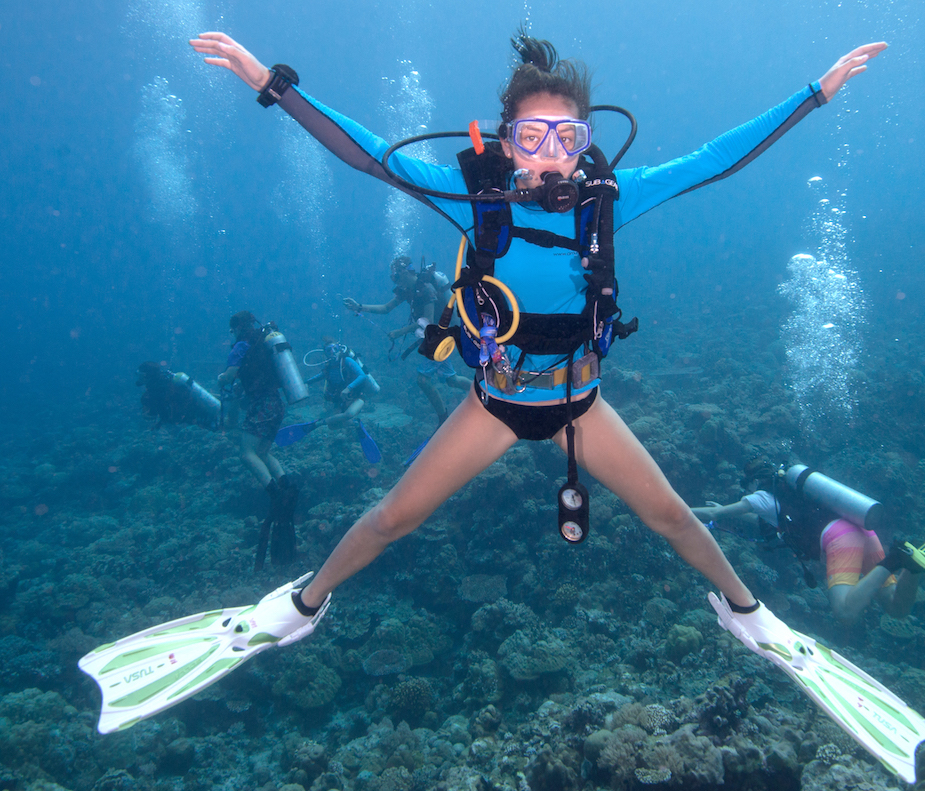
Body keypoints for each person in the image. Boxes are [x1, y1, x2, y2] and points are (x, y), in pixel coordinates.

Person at [189, 29, 886, 655]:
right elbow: (370, 156)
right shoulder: (473, 199)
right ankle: (302, 605)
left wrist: (813, 95)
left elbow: (712, 161)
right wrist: (273, 85)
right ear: (504, 142)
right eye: (531, 139)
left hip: (579, 405)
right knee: (391, 519)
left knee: (671, 515)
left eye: (567, 140)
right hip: (494, 403)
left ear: (585, 143)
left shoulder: (609, 198)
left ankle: (749, 612)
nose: (550, 159)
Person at [690, 465, 920, 625]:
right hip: (861, 529)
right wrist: (725, 510)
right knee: (895, 608)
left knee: (844, 611)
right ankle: (911, 565)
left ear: (752, 482)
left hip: (841, 539)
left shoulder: (758, 496)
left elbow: (714, 514)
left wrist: (680, 510)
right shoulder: (791, 494)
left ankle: (894, 560)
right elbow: (765, 519)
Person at [344, 256, 471, 425]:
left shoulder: (426, 289)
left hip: (443, 336)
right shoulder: (408, 290)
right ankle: (483, 394)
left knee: (422, 379)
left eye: (395, 276)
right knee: (451, 380)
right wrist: (359, 307)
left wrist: (400, 332)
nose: (395, 281)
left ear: (404, 272)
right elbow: (386, 308)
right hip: (438, 337)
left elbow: (429, 321)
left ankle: (443, 419)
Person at [218, 310, 298, 568]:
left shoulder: (242, 347)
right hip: (276, 403)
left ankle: (275, 494)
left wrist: (221, 378)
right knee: (263, 451)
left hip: (262, 404)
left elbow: (229, 377)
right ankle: (286, 486)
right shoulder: (263, 343)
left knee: (246, 453)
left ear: (236, 329)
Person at [305, 336, 381, 427]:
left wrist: (348, 388)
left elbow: (362, 375)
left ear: (339, 349)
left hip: (356, 396)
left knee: (349, 414)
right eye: (329, 350)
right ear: (325, 354)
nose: (332, 352)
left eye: (335, 348)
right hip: (340, 399)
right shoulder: (328, 366)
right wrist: (307, 382)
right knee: (333, 426)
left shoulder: (347, 361)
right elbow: (321, 376)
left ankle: (319, 423)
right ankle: (355, 424)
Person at [136, 361, 221, 431]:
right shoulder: (169, 379)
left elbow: (151, 416)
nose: (139, 379)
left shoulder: (151, 395)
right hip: (200, 412)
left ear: (146, 376)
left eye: (140, 375)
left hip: (192, 419)